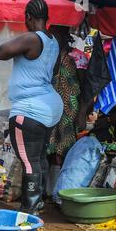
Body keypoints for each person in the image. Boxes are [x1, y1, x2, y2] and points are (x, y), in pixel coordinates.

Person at [0, 0, 63, 215]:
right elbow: (53, 71)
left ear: (28, 18)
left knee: (29, 160)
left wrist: (18, 38)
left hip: (30, 110)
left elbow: (1, 52)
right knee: (39, 156)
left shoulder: (32, 38)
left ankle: (30, 208)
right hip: (50, 107)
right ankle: (39, 200)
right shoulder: (53, 41)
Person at [48, 26, 84, 165]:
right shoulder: (48, 57)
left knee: (64, 149)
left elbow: (85, 85)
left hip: (69, 109)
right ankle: (50, 183)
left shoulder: (77, 56)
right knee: (49, 149)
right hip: (50, 108)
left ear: (64, 36)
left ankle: (60, 183)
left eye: (55, 35)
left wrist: (82, 112)